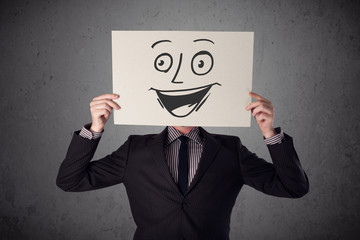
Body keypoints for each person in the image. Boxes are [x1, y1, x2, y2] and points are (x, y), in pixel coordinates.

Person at [56, 92, 309, 240]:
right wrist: (95, 128)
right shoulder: (135, 149)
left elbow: (293, 187)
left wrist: (269, 132)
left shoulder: (230, 150)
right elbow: (70, 181)